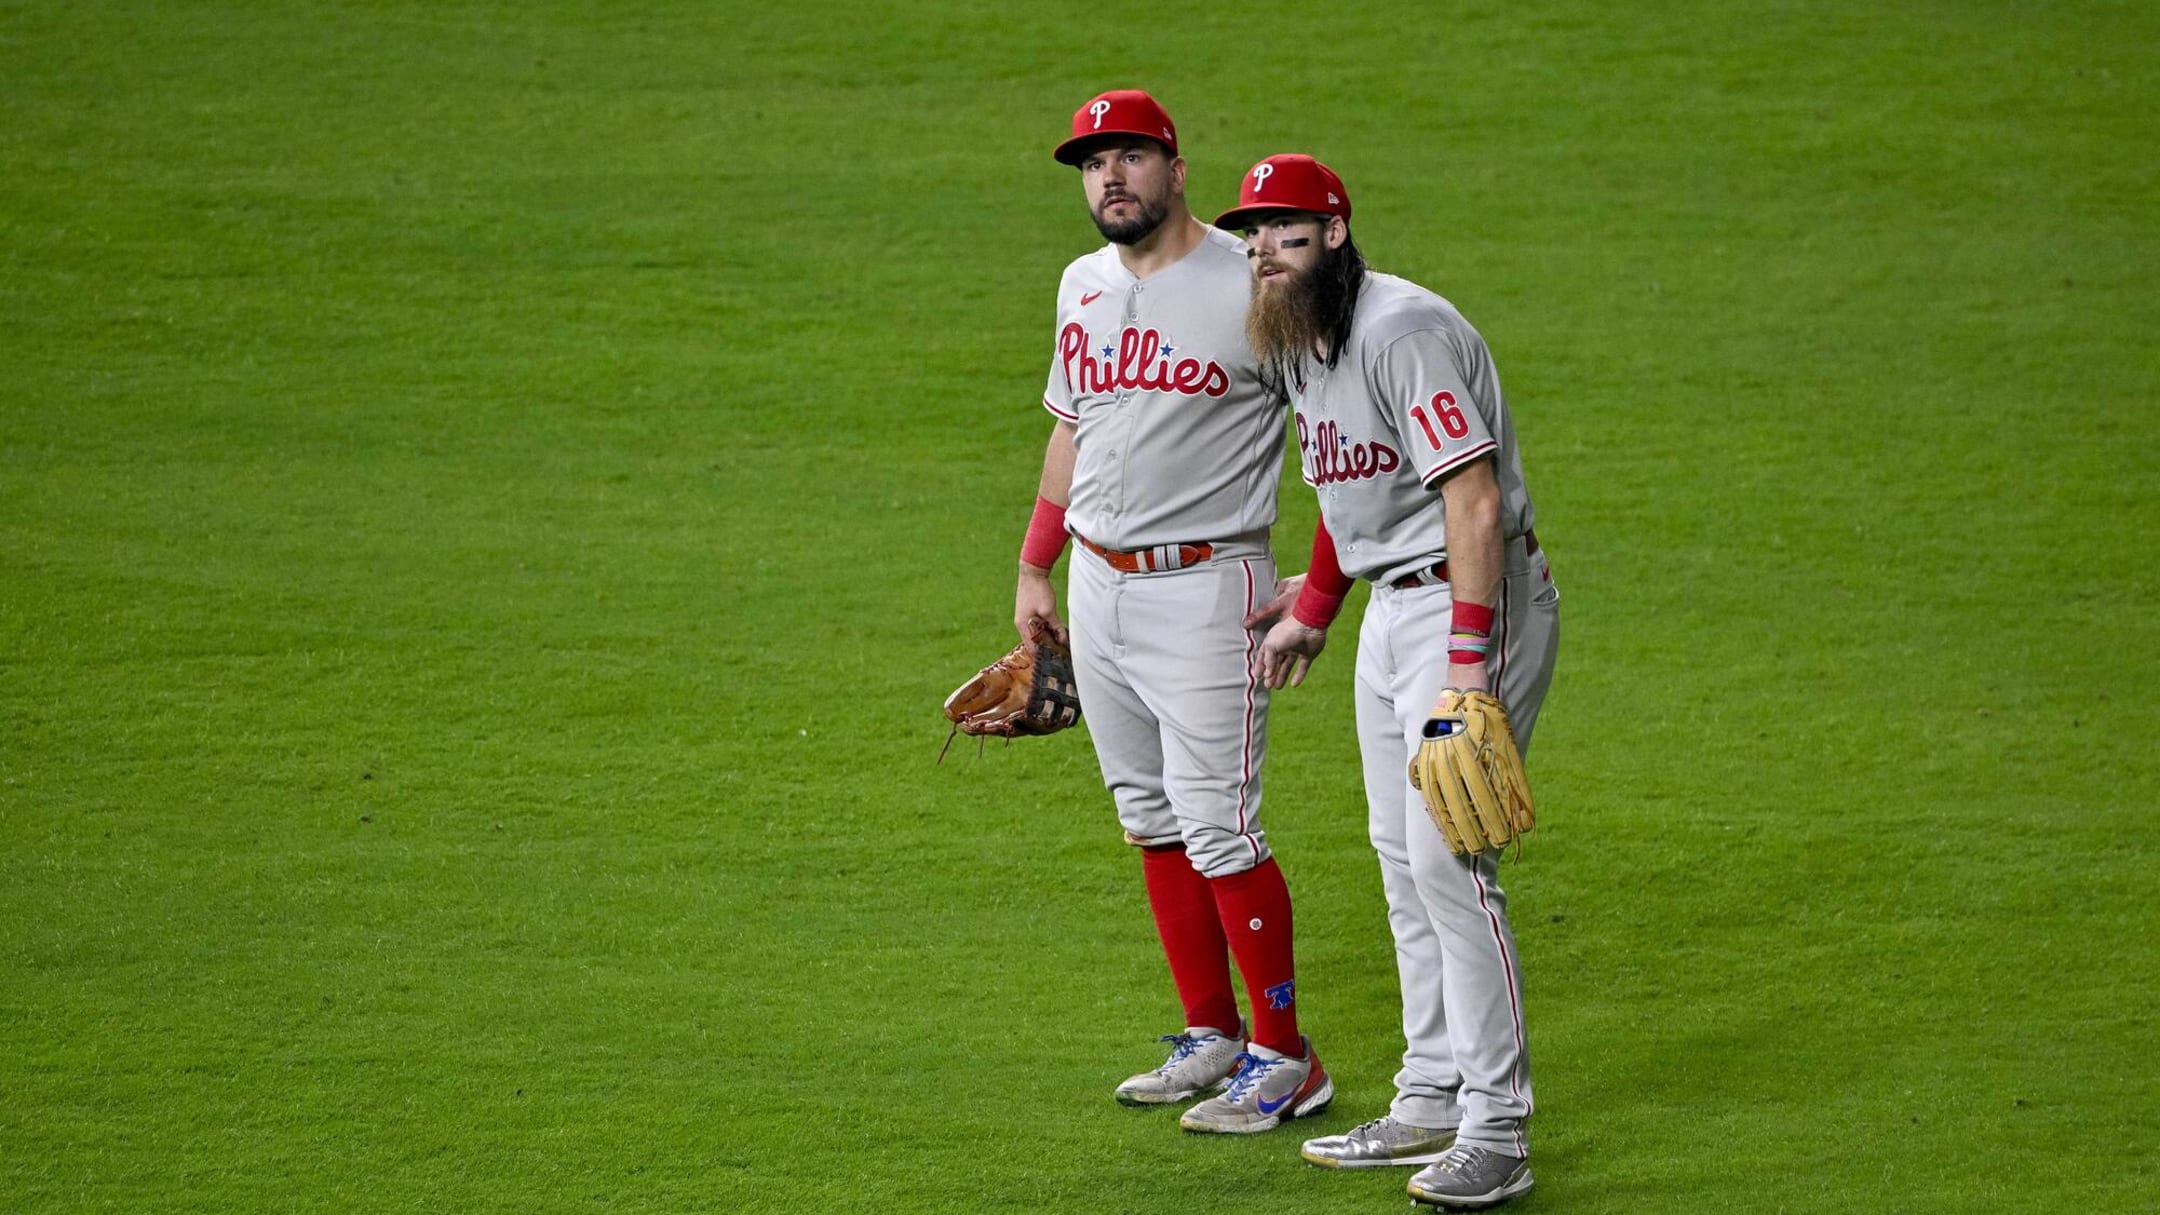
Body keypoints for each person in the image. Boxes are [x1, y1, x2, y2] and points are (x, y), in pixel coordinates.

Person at [1225, 154, 1559, 1208]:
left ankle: (1496, 1131)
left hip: (1474, 598)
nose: (1264, 251)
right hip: (1388, 610)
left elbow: (1471, 496)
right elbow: (1346, 487)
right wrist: (1317, 610)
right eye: (1253, 234)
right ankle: (1429, 1095)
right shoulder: (1300, 340)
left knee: (1451, 859)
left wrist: (1469, 666)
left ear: (1333, 232)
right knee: (1398, 857)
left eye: (1286, 230)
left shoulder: (1399, 330)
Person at [1008, 92, 1331, 1134]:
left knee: (1220, 827)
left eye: (1131, 157)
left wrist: (1324, 586)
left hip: (1207, 590)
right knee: (1148, 816)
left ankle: (1289, 1059)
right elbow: (1073, 430)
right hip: (1097, 584)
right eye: (1093, 161)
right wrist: (1034, 568)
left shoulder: (1253, 282)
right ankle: (1214, 1034)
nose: (1110, 177)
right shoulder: (1081, 284)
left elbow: (1342, 438)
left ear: (1177, 169)